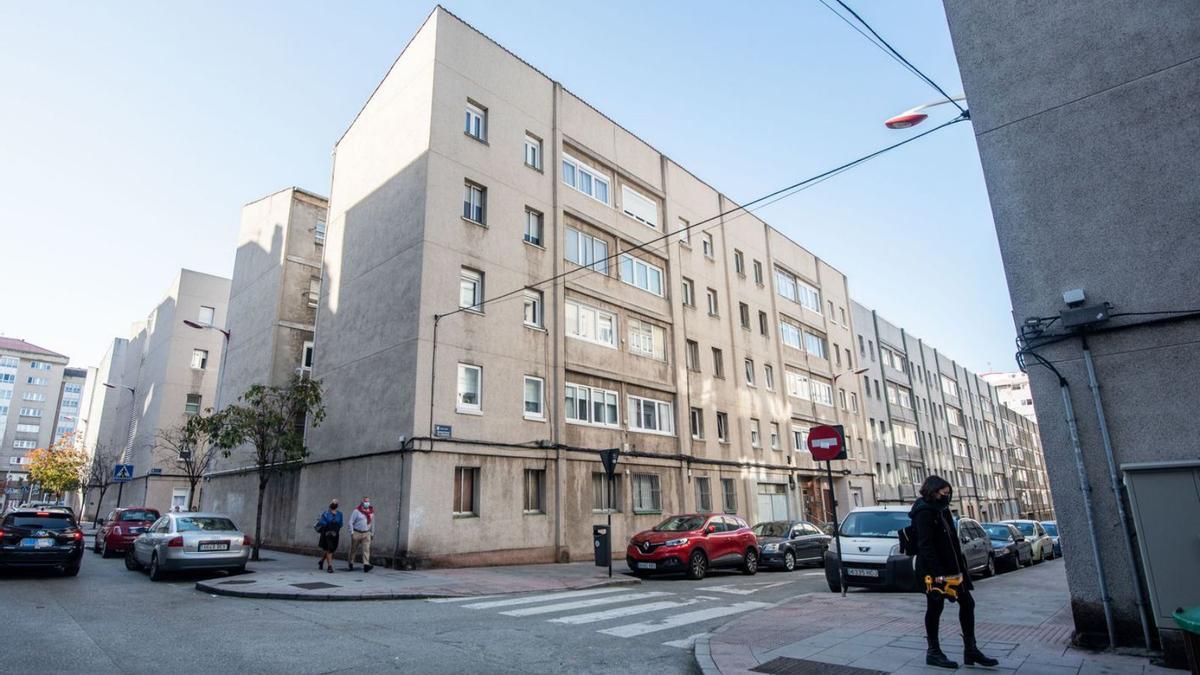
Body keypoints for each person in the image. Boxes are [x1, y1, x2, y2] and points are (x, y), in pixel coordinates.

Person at [910, 475, 998, 669]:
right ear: (933, 490)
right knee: (935, 607)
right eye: (944, 492)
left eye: (948, 492)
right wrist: (938, 572)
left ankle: (971, 650)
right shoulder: (924, 512)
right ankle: (933, 652)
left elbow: (951, 540)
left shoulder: (942, 509)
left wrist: (960, 569)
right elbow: (926, 545)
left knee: (967, 603)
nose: (947, 496)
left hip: (953, 569)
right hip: (935, 571)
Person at [315, 499, 343, 573]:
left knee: (331, 549)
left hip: (335, 534)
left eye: (336, 503)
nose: (334, 504)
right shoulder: (326, 513)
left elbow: (341, 523)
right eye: (333, 503)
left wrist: (336, 527)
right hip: (327, 534)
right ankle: (329, 566)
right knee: (330, 549)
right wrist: (328, 525)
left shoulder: (340, 514)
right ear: (331, 505)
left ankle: (321, 561)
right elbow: (321, 522)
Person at [348, 496, 374, 572]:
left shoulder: (371, 512)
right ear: (362, 502)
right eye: (365, 501)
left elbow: (372, 523)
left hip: (366, 533)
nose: (367, 503)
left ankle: (366, 565)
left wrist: (372, 533)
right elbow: (350, 522)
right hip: (357, 532)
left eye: (368, 501)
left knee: (366, 550)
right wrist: (352, 532)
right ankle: (351, 563)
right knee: (353, 549)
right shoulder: (356, 511)